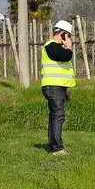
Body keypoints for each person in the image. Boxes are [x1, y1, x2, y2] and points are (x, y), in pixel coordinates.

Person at [41, 20, 77, 156]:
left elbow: (60, 68)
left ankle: (54, 145)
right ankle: (57, 148)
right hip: (53, 87)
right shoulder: (52, 46)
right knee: (58, 116)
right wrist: (69, 47)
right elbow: (66, 56)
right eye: (68, 36)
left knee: (55, 116)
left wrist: (65, 90)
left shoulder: (55, 47)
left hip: (56, 87)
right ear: (63, 34)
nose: (69, 39)